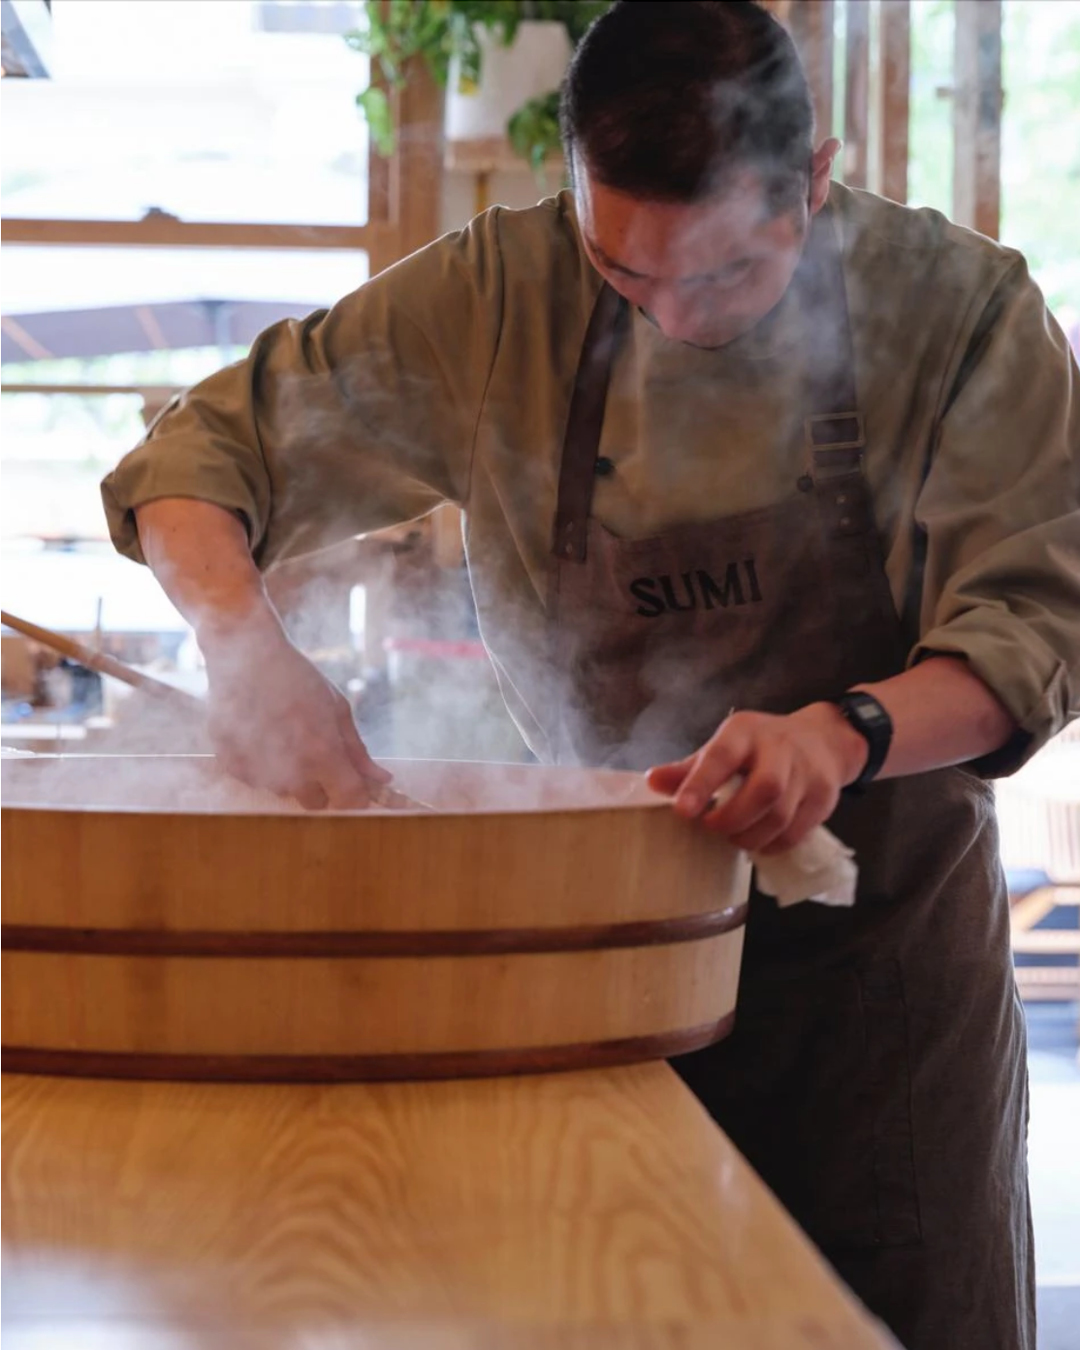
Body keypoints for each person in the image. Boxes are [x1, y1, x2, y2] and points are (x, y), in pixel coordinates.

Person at [101, 3, 1078, 1345]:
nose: (674, 320)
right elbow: (194, 461)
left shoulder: (960, 311)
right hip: (580, 986)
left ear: (815, 177)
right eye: (625, 276)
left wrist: (844, 732)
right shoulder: (495, 301)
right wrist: (245, 648)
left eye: (728, 279)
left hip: (883, 1006)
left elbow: (1034, 625)